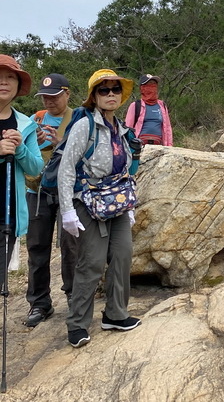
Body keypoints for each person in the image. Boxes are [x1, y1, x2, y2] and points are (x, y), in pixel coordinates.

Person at [58, 69, 141, 348]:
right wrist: (67, 209)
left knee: (122, 255)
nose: (110, 95)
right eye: (103, 90)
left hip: (116, 201)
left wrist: (130, 204)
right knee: (92, 261)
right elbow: (67, 169)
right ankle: (77, 324)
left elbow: (127, 169)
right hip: (87, 201)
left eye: (115, 90)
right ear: (93, 96)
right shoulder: (85, 126)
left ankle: (116, 314)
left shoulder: (121, 129)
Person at [25, 73, 79, 328]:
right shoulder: (34, 121)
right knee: (36, 247)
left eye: (55, 96)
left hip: (68, 191)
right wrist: (30, 145)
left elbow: (86, 153)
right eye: (45, 96)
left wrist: (61, 143)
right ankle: (40, 303)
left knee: (71, 246)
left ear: (67, 94)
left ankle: (73, 297)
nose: (49, 101)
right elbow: (23, 157)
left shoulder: (79, 119)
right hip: (36, 192)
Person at [0, 55, 44, 289]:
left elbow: (36, 168)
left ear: (18, 86)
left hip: (8, 216)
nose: (3, 82)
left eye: (10, 77)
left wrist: (20, 150)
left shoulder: (25, 124)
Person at [125, 74, 173, 145]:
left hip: (159, 146)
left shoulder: (162, 105)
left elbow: (168, 128)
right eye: (148, 84)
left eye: (154, 84)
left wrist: (169, 146)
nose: (152, 87)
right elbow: (128, 128)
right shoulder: (135, 106)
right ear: (142, 88)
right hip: (139, 146)